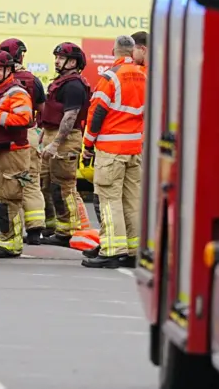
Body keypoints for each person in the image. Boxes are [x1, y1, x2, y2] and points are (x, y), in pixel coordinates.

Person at [81, 35, 146, 268]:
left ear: (114, 51)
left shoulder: (111, 77)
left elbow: (96, 113)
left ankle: (111, 250)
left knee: (109, 200)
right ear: (132, 52)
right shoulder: (144, 75)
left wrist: (88, 145)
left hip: (111, 150)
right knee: (132, 200)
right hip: (135, 149)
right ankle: (132, 250)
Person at [39, 42, 91, 247]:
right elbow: (53, 114)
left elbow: (70, 117)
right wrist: (45, 136)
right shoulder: (61, 82)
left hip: (65, 140)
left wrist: (55, 144)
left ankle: (70, 230)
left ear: (73, 62)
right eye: (57, 57)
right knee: (51, 185)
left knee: (64, 187)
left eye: (61, 58)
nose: (57, 61)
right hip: (54, 136)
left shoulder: (73, 85)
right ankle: (61, 229)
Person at [0, 51, 33, 259]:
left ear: (9, 70)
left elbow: (25, 118)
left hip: (13, 152)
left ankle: (10, 244)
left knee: (8, 198)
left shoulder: (16, 92)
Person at [0, 38, 47, 244]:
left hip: (9, 137)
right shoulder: (33, 80)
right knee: (31, 181)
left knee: (9, 186)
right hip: (30, 134)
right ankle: (35, 229)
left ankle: (11, 233)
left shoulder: (1, 81)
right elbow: (42, 110)